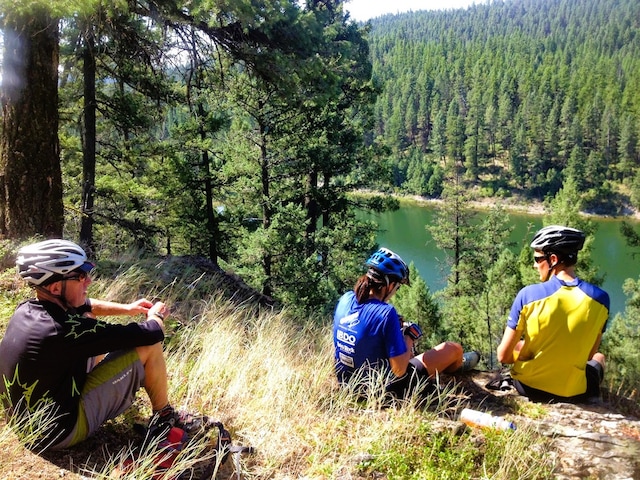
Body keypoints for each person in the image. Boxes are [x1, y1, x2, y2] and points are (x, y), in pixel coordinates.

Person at [0, 239, 206, 450]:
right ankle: (164, 417)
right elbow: (150, 334)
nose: (88, 281)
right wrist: (156, 316)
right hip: (59, 432)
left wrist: (128, 308)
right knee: (148, 347)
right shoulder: (65, 330)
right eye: (81, 275)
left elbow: (85, 305)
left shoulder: (27, 310)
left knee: (88, 316)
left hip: (27, 425)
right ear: (54, 287)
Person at [333, 247, 479, 400]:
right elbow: (399, 371)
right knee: (452, 348)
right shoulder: (386, 312)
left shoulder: (346, 298)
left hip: (348, 385)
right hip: (383, 392)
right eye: (398, 286)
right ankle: (458, 364)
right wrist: (410, 335)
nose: (396, 291)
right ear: (389, 284)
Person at [496, 225, 609, 403]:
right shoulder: (601, 300)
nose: (534, 265)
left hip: (529, 388)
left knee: (520, 345)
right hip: (575, 393)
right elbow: (588, 356)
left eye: (537, 258)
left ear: (553, 259)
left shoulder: (528, 295)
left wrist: (526, 353)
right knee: (599, 357)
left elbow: (503, 356)